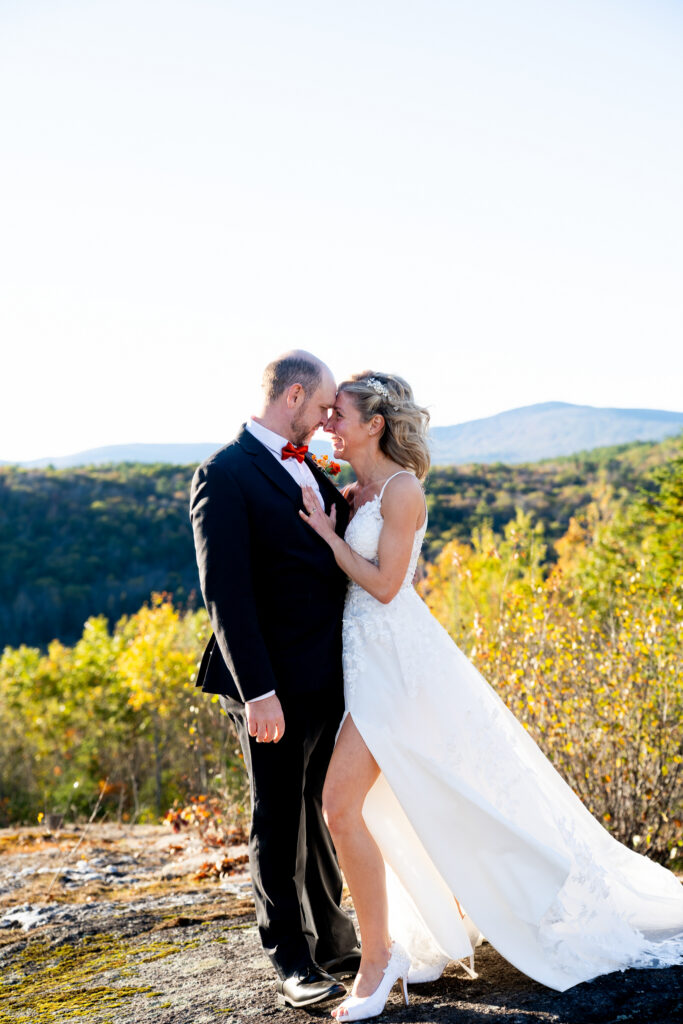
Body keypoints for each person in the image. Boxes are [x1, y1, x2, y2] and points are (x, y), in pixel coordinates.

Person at [299, 370, 683, 1022]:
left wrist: (330, 538)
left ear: (374, 424)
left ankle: (378, 959)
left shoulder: (401, 489)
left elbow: (388, 587)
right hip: (364, 664)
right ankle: (423, 931)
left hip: (396, 669)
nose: (326, 424)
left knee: (341, 806)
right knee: (401, 803)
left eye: (338, 414)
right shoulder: (355, 489)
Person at [190, 351, 360, 1009]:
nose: (324, 421)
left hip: (326, 674)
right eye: (321, 408)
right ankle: (291, 960)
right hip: (267, 685)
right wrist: (258, 692)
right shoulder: (224, 474)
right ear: (293, 396)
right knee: (278, 813)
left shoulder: (307, 465)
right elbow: (225, 594)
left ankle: (333, 939)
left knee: (320, 807)